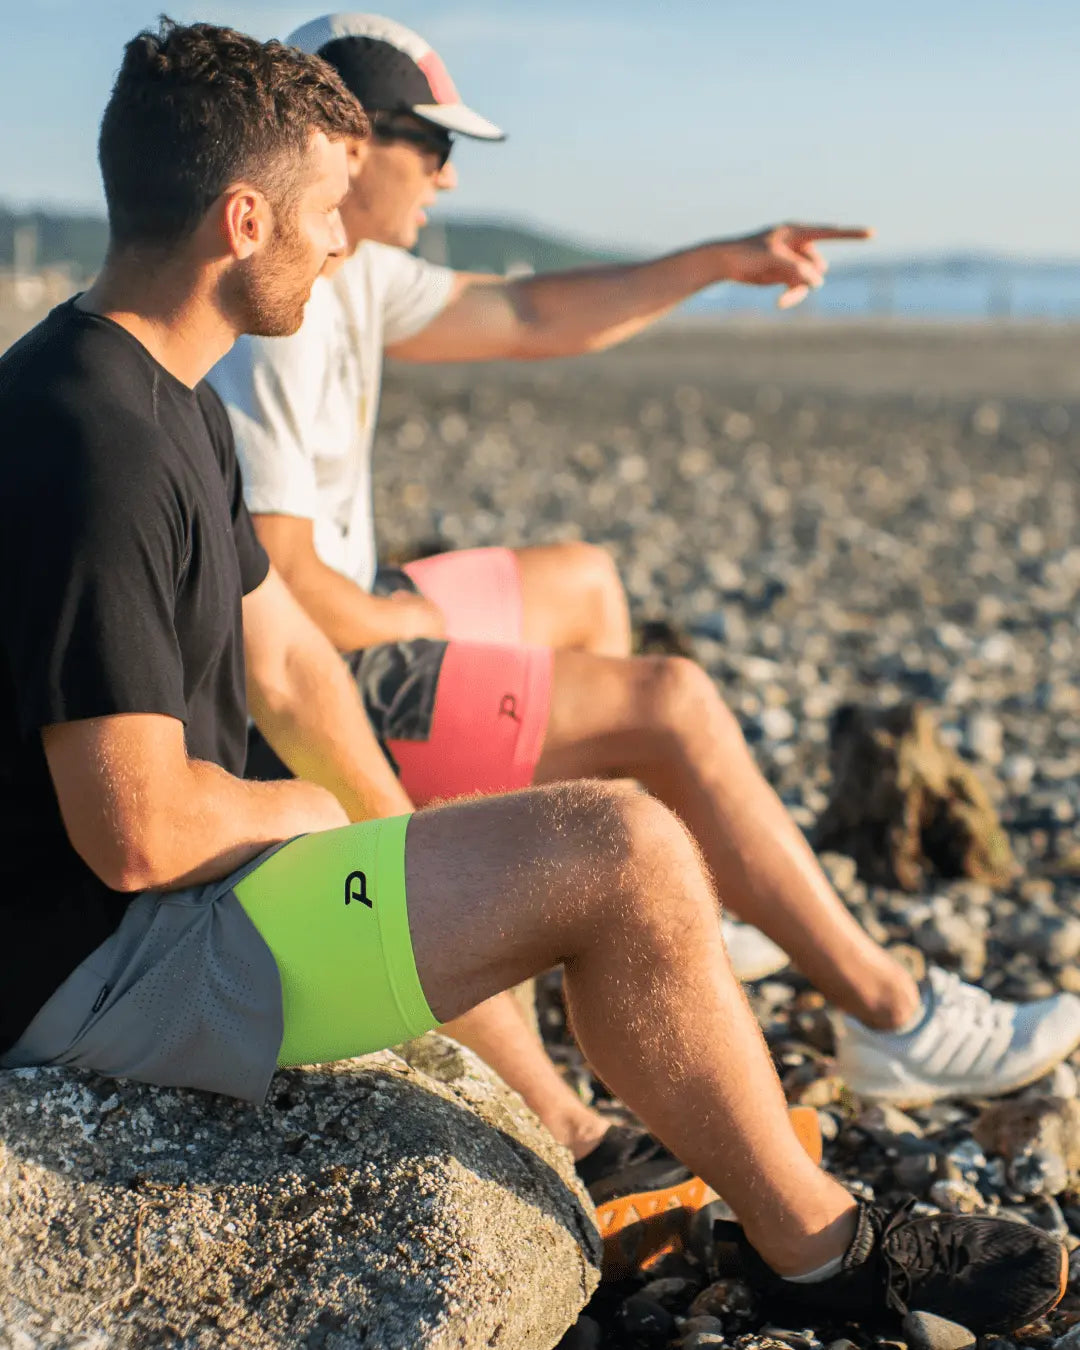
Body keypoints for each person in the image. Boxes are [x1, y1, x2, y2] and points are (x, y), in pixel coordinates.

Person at [0, 18, 1070, 1336]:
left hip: (166, 913)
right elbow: (137, 830)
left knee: (582, 839)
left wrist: (391, 831)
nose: (341, 244)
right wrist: (311, 813)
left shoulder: (171, 396)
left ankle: (627, 1149)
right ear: (243, 220)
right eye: (326, 212)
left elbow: (286, 659)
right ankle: (826, 1250)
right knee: (623, 851)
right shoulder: (93, 442)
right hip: (106, 967)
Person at [208, 10, 1080, 1166]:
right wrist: (412, 618)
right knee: (672, 701)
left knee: (581, 582)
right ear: (350, 143)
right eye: (436, 144)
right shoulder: (277, 319)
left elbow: (535, 315)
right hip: (312, 669)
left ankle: (661, 905)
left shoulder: (356, 266)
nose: (451, 175)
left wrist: (720, 260)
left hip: (353, 607)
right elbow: (285, 597)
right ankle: (891, 1016)